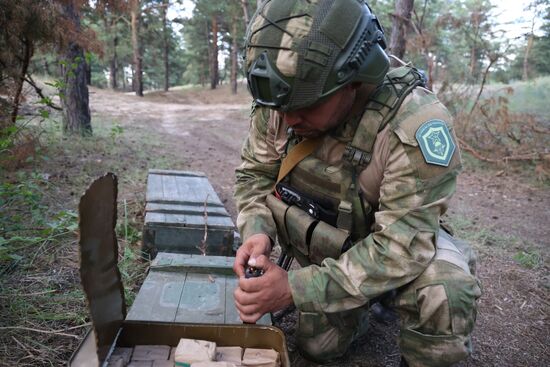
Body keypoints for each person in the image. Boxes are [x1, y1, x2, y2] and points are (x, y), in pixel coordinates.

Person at [232, 0, 481, 366]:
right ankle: (358, 309)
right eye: (281, 108)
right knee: (317, 347)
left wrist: (294, 289)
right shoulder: (284, 96)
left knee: (443, 290)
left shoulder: (413, 123)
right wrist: (258, 231)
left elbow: (402, 246)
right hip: (331, 249)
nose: (287, 120)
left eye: (305, 105)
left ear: (353, 78)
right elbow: (254, 174)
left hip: (393, 247)